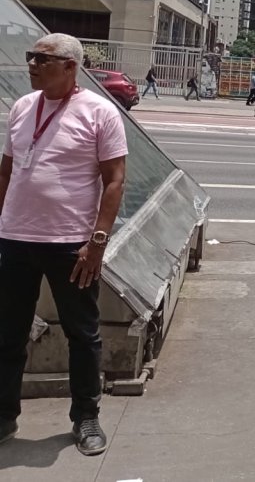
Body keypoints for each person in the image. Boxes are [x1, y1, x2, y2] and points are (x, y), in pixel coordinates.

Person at [0, 34, 127, 455]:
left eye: (43, 58)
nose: (33, 64)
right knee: (8, 333)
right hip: (15, 238)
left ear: (70, 67)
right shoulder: (21, 107)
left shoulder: (100, 113)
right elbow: (6, 172)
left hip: (71, 244)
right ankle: (4, 416)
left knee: (82, 334)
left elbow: (114, 180)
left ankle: (86, 418)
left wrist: (98, 242)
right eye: (30, 57)